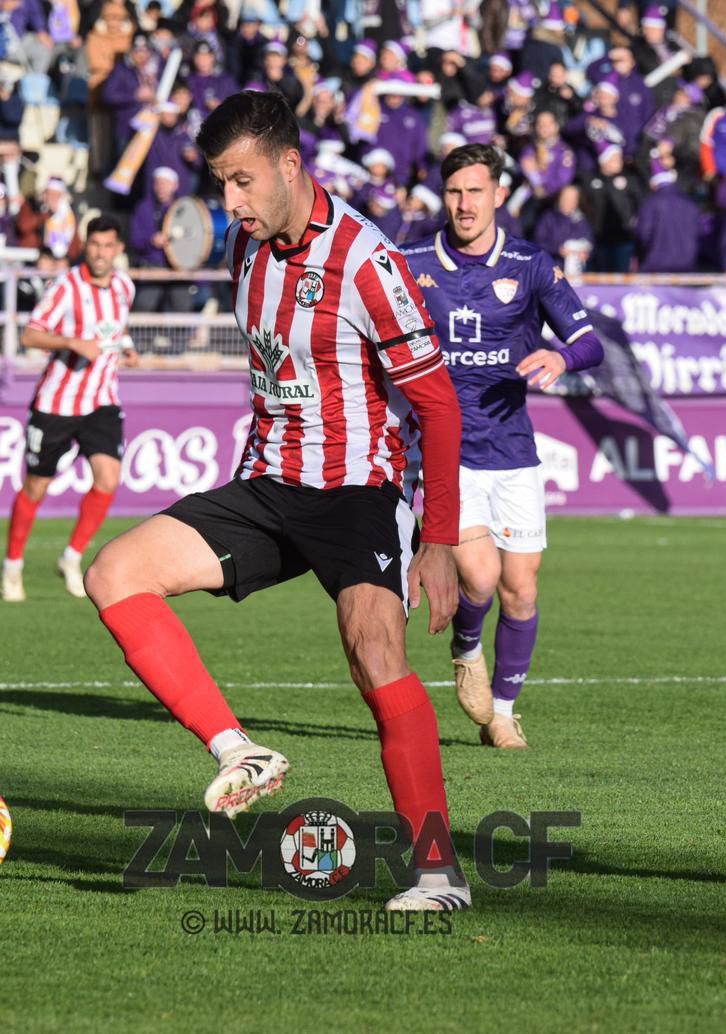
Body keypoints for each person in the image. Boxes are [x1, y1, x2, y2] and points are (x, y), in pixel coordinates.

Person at [82, 91, 470, 911]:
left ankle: (437, 874)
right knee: (114, 572)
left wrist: (437, 538)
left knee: (374, 655)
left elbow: (437, 402)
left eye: (243, 182)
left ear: (291, 166)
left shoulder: (366, 259)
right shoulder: (243, 248)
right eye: (222, 184)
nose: (231, 203)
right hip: (268, 484)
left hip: (356, 490)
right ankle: (238, 752)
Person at [401, 143, 602, 750]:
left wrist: (558, 355)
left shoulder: (531, 263)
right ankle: (466, 647)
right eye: (455, 192)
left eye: (476, 191)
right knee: (482, 578)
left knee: (521, 587)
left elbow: (590, 343)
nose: (465, 204)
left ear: (497, 195)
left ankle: (505, 713)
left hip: (513, 452)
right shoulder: (411, 263)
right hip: (443, 454)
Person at [1, 217, 138, 602]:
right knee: (36, 486)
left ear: (118, 250)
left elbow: (114, 327)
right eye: (94, 244)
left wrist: (125, 346)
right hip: (57, 403)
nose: (100, 252)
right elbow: (30, 333)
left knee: (108, 478)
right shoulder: (67, 286)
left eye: (108, 245)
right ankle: (12, 565)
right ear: (86, 247)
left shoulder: (125, 287)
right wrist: (73, 343)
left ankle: (72, 556)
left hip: (102, 400)